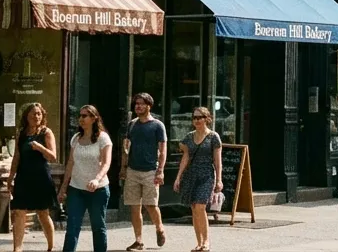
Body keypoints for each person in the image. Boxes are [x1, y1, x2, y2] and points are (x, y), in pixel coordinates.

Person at [59, 105, 112, 252]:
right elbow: (70, 163)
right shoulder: (76, 138)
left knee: (98, 226)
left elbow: (106, 163)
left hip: (98, 189)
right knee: (72, 227)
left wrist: (97, 179)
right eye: (80, 116)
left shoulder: (103, 138)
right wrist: (63, 187)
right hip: (76, 188)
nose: (81, 119)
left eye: (85, 116)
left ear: (94, 118)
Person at [8, 102, 57, 252]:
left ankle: (50, 246)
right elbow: (17, 156)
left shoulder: (46, 132)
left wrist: (40, 148)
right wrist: (11, 177)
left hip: (41, 177)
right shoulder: (22, 133)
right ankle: (17, 248)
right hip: (23, 177)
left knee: (43, 213)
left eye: (39, 114)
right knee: (19, 212)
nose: (36, 116)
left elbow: (53, 157)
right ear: (26, 117)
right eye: (33, 114)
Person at [121, 92, 167, 250]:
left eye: (141, 104)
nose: (138, 106)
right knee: (134, 206)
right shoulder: (132, 124)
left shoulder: (157, 125)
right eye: (136, 104)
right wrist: (123, 167)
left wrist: (160, 170)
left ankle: (159, 228)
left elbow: (162, 149)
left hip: (150, 171)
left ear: (149, 106)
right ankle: (139, 241)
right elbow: (126, 147)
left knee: (151, 205)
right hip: (133, 170)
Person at [173, 106, 222, 252]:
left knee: (200, 206)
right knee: (194, 208)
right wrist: (178, 177)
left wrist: (219, 179)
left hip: (206, 175)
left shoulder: (214, 137)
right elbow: (185, 157)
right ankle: (199, 242)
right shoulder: (189, 136)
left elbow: (217, 160)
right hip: (190, 175)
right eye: (194, 117)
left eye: (199, 117)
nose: (196, 120)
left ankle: (206, 242)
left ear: (207, 119)